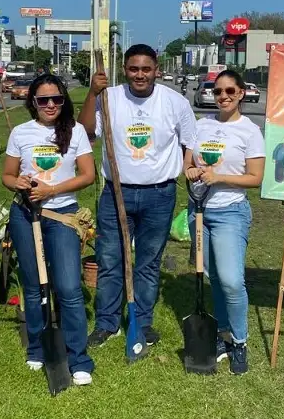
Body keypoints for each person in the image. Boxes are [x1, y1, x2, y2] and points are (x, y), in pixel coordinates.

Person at [78, 43, 196, 351]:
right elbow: (86, 130)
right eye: (133, 69)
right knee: (109, 258)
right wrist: (92, 92)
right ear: (125, 70)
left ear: (157, 69)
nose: (139, 75)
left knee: (148, 261)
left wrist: (188, 172)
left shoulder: (175, 102)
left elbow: (190, 143)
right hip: (117, 192)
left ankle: (142, 322)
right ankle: (107, 323)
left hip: (159, 194)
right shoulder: (109, 97)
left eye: (146, 69)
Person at [2, 74, 96, 385]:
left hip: (62, 217)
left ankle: (78, 356)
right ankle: (38, 348)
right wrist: (17, 183)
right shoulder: (20, 132)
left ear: (64, 100)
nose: (51, 104)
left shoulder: (76, 131)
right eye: (44, 100)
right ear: (33, 102)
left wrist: (51, 191)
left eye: (57, 98)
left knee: (69, 288)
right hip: (26, 215)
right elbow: (7, 175)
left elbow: (87, 175)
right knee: (33, 286)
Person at [182, 69, 264, 374]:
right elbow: (187, 163)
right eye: (218, 92)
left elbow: (255, 178)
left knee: (231, 280)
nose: (223, 97)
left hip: (230, 211)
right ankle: (222, 334)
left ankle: (239, 342)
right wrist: (189, 170)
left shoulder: (250, 131)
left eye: (230, 91)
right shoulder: (201, 126)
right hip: (199, 211)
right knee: (213, 277)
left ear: (241, 93)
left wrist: (219, 177)